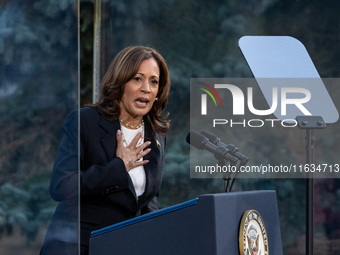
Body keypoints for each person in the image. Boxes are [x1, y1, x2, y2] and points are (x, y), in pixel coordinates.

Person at [40, 46, 171, 255]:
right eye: (138, 79)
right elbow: (61, 186)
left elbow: (147, 199)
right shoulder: (85, 122)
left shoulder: (156, 134)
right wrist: (118, 167)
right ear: (120, 82)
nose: (146, 88)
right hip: (81, 245)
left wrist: (161, 232)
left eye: (153, 81)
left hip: (127, 246)